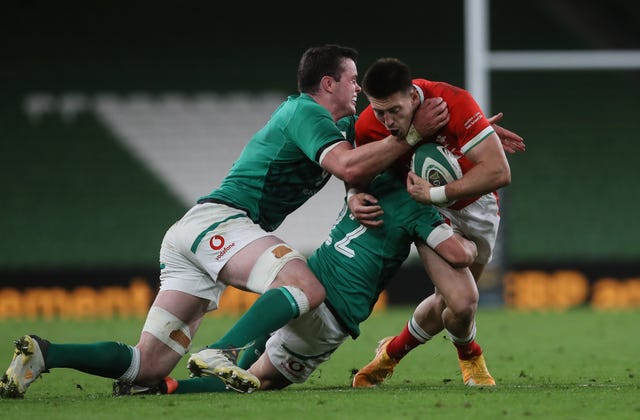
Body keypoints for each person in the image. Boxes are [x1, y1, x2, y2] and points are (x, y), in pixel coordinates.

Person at [0, 45, 449, 399]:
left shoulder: (337, 128)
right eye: (352, 80)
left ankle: (45, 354)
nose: (358, 89)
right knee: (306, 287)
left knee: (149, 366)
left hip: (194, 235)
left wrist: (474, 135)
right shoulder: (305, 112)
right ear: (328, 82)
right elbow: (352, 166)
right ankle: (222, 352)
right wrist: (412, 135)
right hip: (221, 221)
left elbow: (359, 167)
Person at [125, 169, 480, 394]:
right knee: (261, 380)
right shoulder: (420, 210)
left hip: (306, 281)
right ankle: (167, 388)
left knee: (252, 358)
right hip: (334, 314)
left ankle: (218, 354)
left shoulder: (369, 179)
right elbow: (460, 255)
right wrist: (466, 238)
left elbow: (351, 167)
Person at [349, 57, 523, 388]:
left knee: (450, 306)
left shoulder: (453, 102)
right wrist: (353, 193)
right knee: (462, 300)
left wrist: (438, 191)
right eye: (379, 111)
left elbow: (500, 172)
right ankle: (470, 354)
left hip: (477, 205)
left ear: (413, 98)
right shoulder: (368, 126)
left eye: (394, 111)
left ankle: (390, 353)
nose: (386, 121)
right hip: (426, 211)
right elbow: (358, 169)